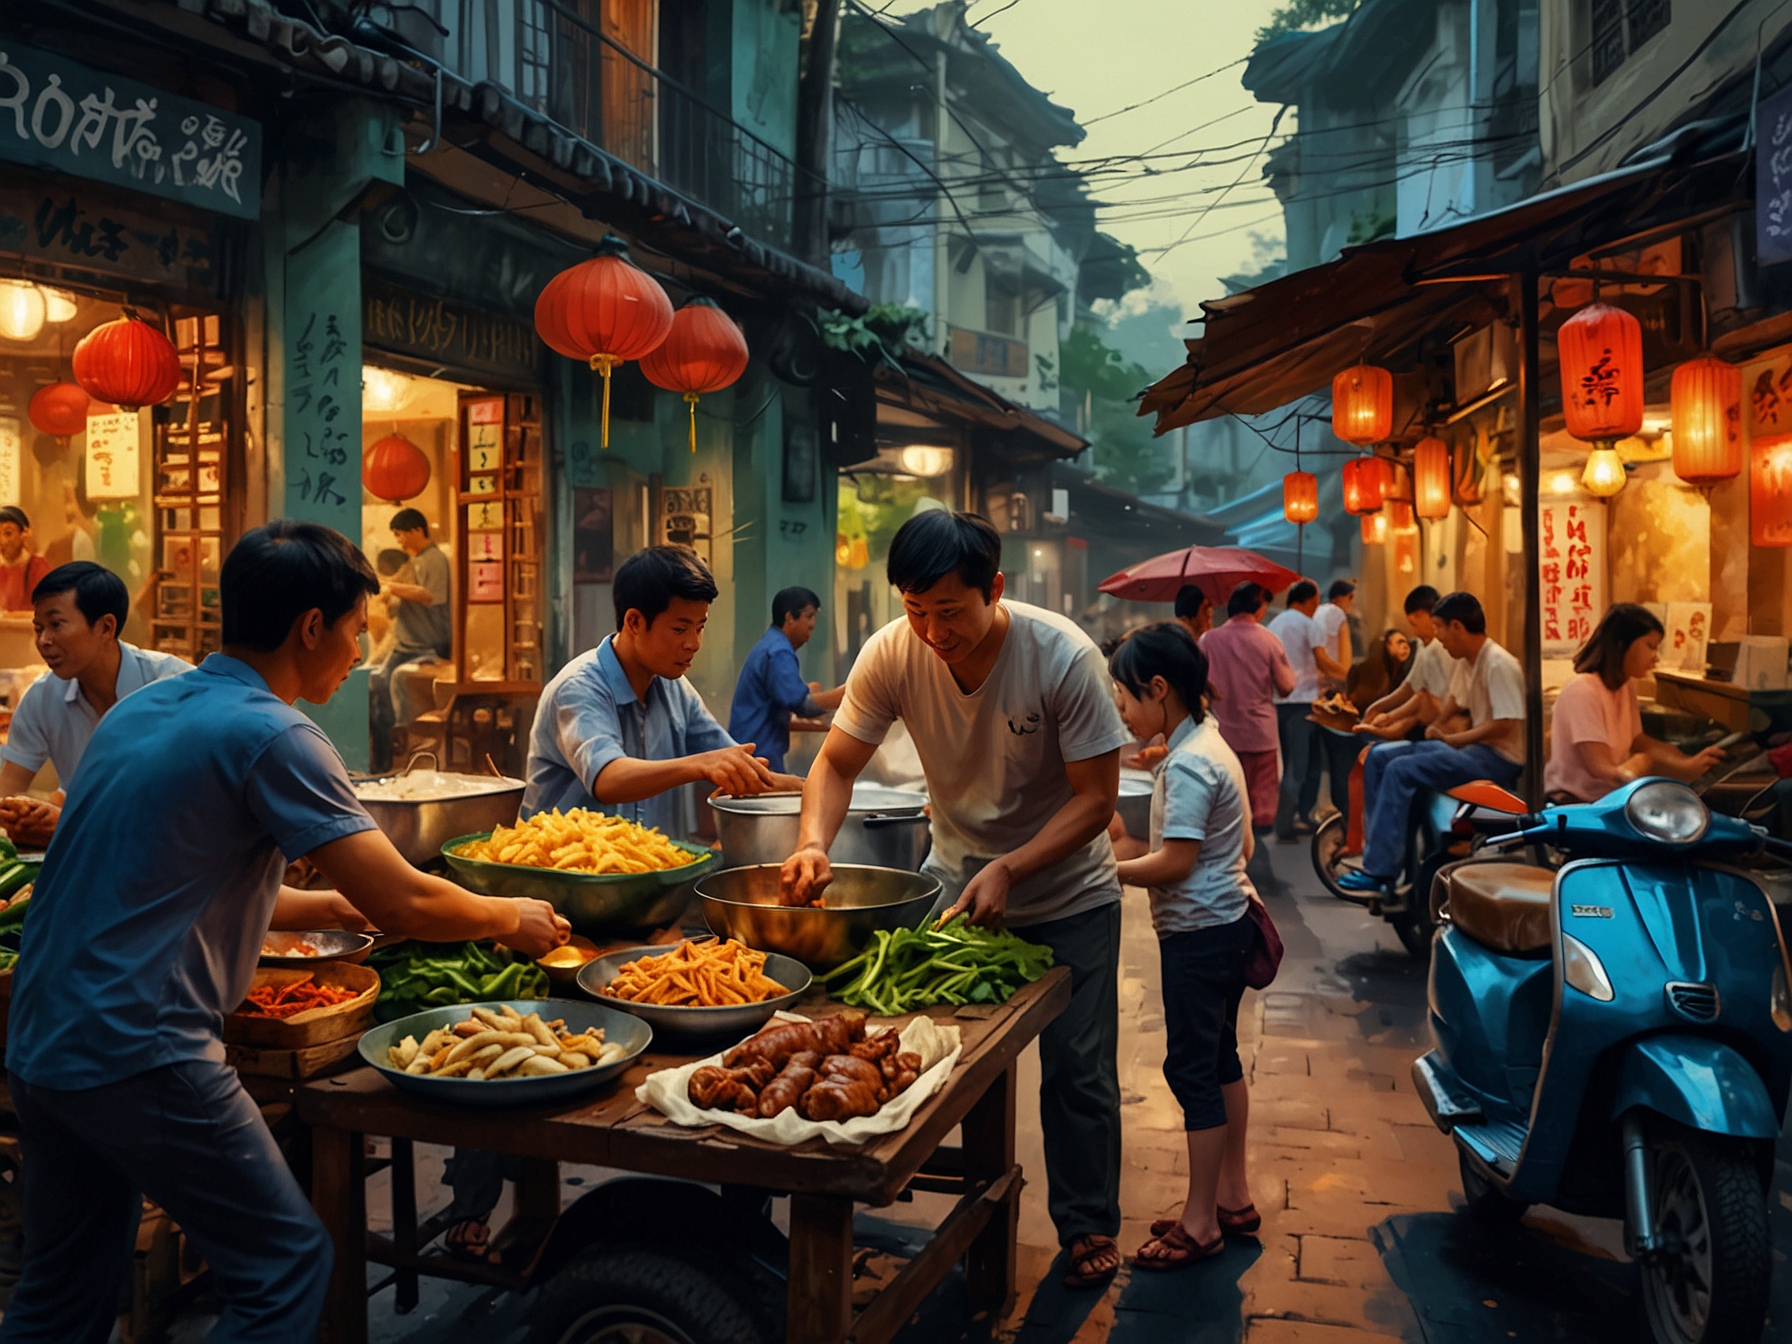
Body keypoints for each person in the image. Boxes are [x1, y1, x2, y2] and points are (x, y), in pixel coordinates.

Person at [0, 520, 569, 1344]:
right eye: (355, 630)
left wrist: (331, 904)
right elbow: (406, 903)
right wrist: (508, 918)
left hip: (41, 1042)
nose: (358, 649)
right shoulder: (275, 732)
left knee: (60, 1296)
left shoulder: (144, 709)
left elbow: (165, 882)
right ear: (311, 626)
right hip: (141, 1049)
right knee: (286, 1267)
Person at [779, 510, 1130, 1289]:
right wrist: (812, 842)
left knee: (1078, 1071)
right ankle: (958, 1192)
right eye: (915, 610)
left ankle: (1085, 1224)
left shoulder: (1061, 656)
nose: (932, 632)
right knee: (940, 1052)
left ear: (994, 589)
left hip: (1069, 891)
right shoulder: (892, 654)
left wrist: (1012, 867)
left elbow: (1096, 799)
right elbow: (834, 765)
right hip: (954, 880)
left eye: (949, 611)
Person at [1106, 625, 1259, 1269]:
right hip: (1228, 923)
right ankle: (1232, 1199)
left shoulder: (1192, 762)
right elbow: (1241, 849)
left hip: (1199, 933)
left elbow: (1173, 863)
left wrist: (1106, 870)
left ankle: (1200, 1225)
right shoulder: (1206, 741)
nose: (1120, 710)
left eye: (1124, 697)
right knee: (1220, 1060)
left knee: (1191, 1070)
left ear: (1160, 689)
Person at [523, 546, 799, 840]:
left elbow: (736, 766)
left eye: (700, 627)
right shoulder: (579, 687)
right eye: (680, 629)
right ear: (634, 622)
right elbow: (607, 778)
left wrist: (810, 787)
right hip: (566, 877)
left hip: (653, 873)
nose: (694, 643)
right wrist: (700, 764)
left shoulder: (675, 689)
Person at [1338, 591, 1524, 897]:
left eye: (1440, 629)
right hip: (1471, 750)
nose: (1438, 637)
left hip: (1497, 757)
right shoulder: (1469, 661)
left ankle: (1381, 870)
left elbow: (1505, 726)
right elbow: (1455, 699)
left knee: (1399, 770)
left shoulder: (1498, 663)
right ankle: (1376, 852)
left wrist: (1453, 739)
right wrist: (1438, 725)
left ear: (1457, 627)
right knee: (1379, 758)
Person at [0, 563, 191, 849]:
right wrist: (19, 815)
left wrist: (67, 824)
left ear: (106, 627)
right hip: (89, 854)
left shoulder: (174, 685)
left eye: (56, 625)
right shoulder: (41, 698)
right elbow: (8, 789)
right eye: (38, 628)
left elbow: (192, 804)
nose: (43, 641)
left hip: (172, 852)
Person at [1544, 604, 1724, 803]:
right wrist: (1677, 769)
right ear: (1621, 645)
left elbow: (1638, 741)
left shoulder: (1625, 687)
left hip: (1609, 798)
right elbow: (1603, 769)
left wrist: (1688, 760)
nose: (1656, 656)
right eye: (1650, 646)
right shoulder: (1582, 691)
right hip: (1577, 806)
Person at [1199, 582, 1296, 831]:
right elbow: (1286, 686)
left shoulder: (1209, 639)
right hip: (1260, 736)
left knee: (1227, 804)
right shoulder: (1269, 640)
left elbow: (1198, 683)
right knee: (1260, 814)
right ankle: (1257, 859)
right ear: (1259, 607)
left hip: (1222, 735)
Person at [728, 585, 846, 774]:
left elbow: (790, 698)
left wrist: (811, 694)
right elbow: (803, 705)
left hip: (755, 753)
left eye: (814, 617)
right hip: (758, 756)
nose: (813, 624)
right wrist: (848, 693)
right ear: (790, 618)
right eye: (809, 616)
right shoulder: (778, 651)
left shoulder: (771, 644)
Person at [368, 508, 452, 767]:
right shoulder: (411, 562)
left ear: (417, 530)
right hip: (404, 646)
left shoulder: (434, 559)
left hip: (427, 647)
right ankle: (385, 749)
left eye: (401, 534)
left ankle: (402, 740)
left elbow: (432, 595)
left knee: (395, 679)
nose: (399, 541)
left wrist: (392, 587)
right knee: (373, 681)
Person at [1357, 585, 1457, 741]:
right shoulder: (1424, 644)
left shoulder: (1445, 646)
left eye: (1414, 625)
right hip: (1430, 717)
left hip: (1447, 723)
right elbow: (1410, 686)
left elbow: (1430, 699)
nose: (1415, 632)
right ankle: (1384, 728)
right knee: (1420, 702)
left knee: (1422, 701)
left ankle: (1385, 729)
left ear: (1425, 615)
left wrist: (1388, 716)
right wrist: (1377, 708)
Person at [1266, 581, 1326, 839]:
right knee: (1300, 765)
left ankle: (1301, 815)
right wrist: (1345, 675)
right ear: (1309, 600)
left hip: (1279, 702)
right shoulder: (1309, 624)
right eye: (1316, 601)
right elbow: (1322, 660)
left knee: (1295, 762)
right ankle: (1285, 824)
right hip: (1304, 702)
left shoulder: (1273, 625)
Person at [0, 507, 51, 615]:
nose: (2, 541)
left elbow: (46, 609)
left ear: (24, 533)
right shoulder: (2, 569)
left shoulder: (38, 566)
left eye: (8, 534)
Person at [1312, 579, 1355, 696]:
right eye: (1350, 597)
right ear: (1338, 599)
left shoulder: (1318, 611)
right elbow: (1344, 658)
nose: (1352, 602)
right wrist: (1349, 679)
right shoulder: (1336, 613)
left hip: (1315, 683)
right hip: (1333, 683)